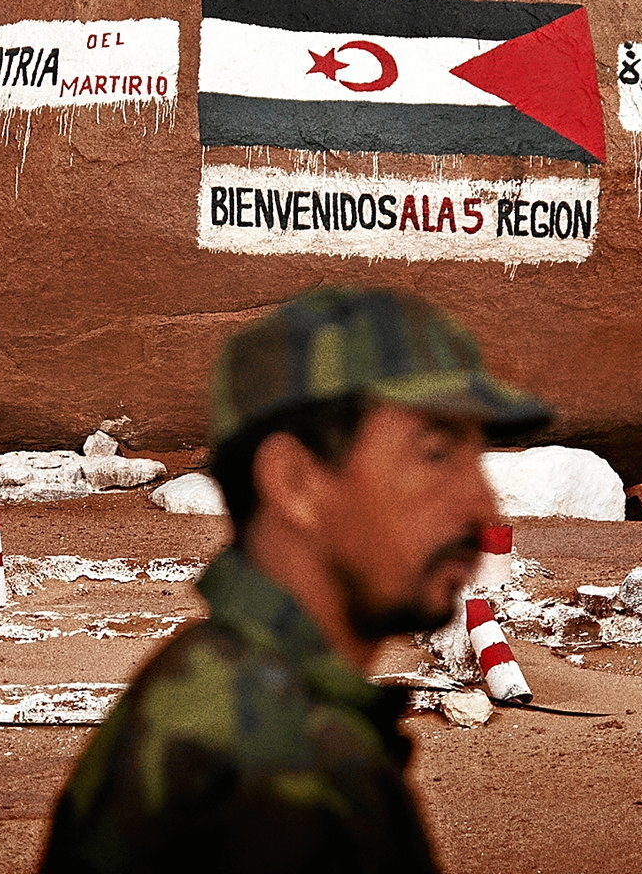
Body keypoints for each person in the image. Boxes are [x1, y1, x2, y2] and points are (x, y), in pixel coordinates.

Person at [40, 285, 551, 873]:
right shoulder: (280, 766)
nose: (482, 504)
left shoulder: (226, 691)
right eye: (434, 454)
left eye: (477, 458)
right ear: (296, 484)